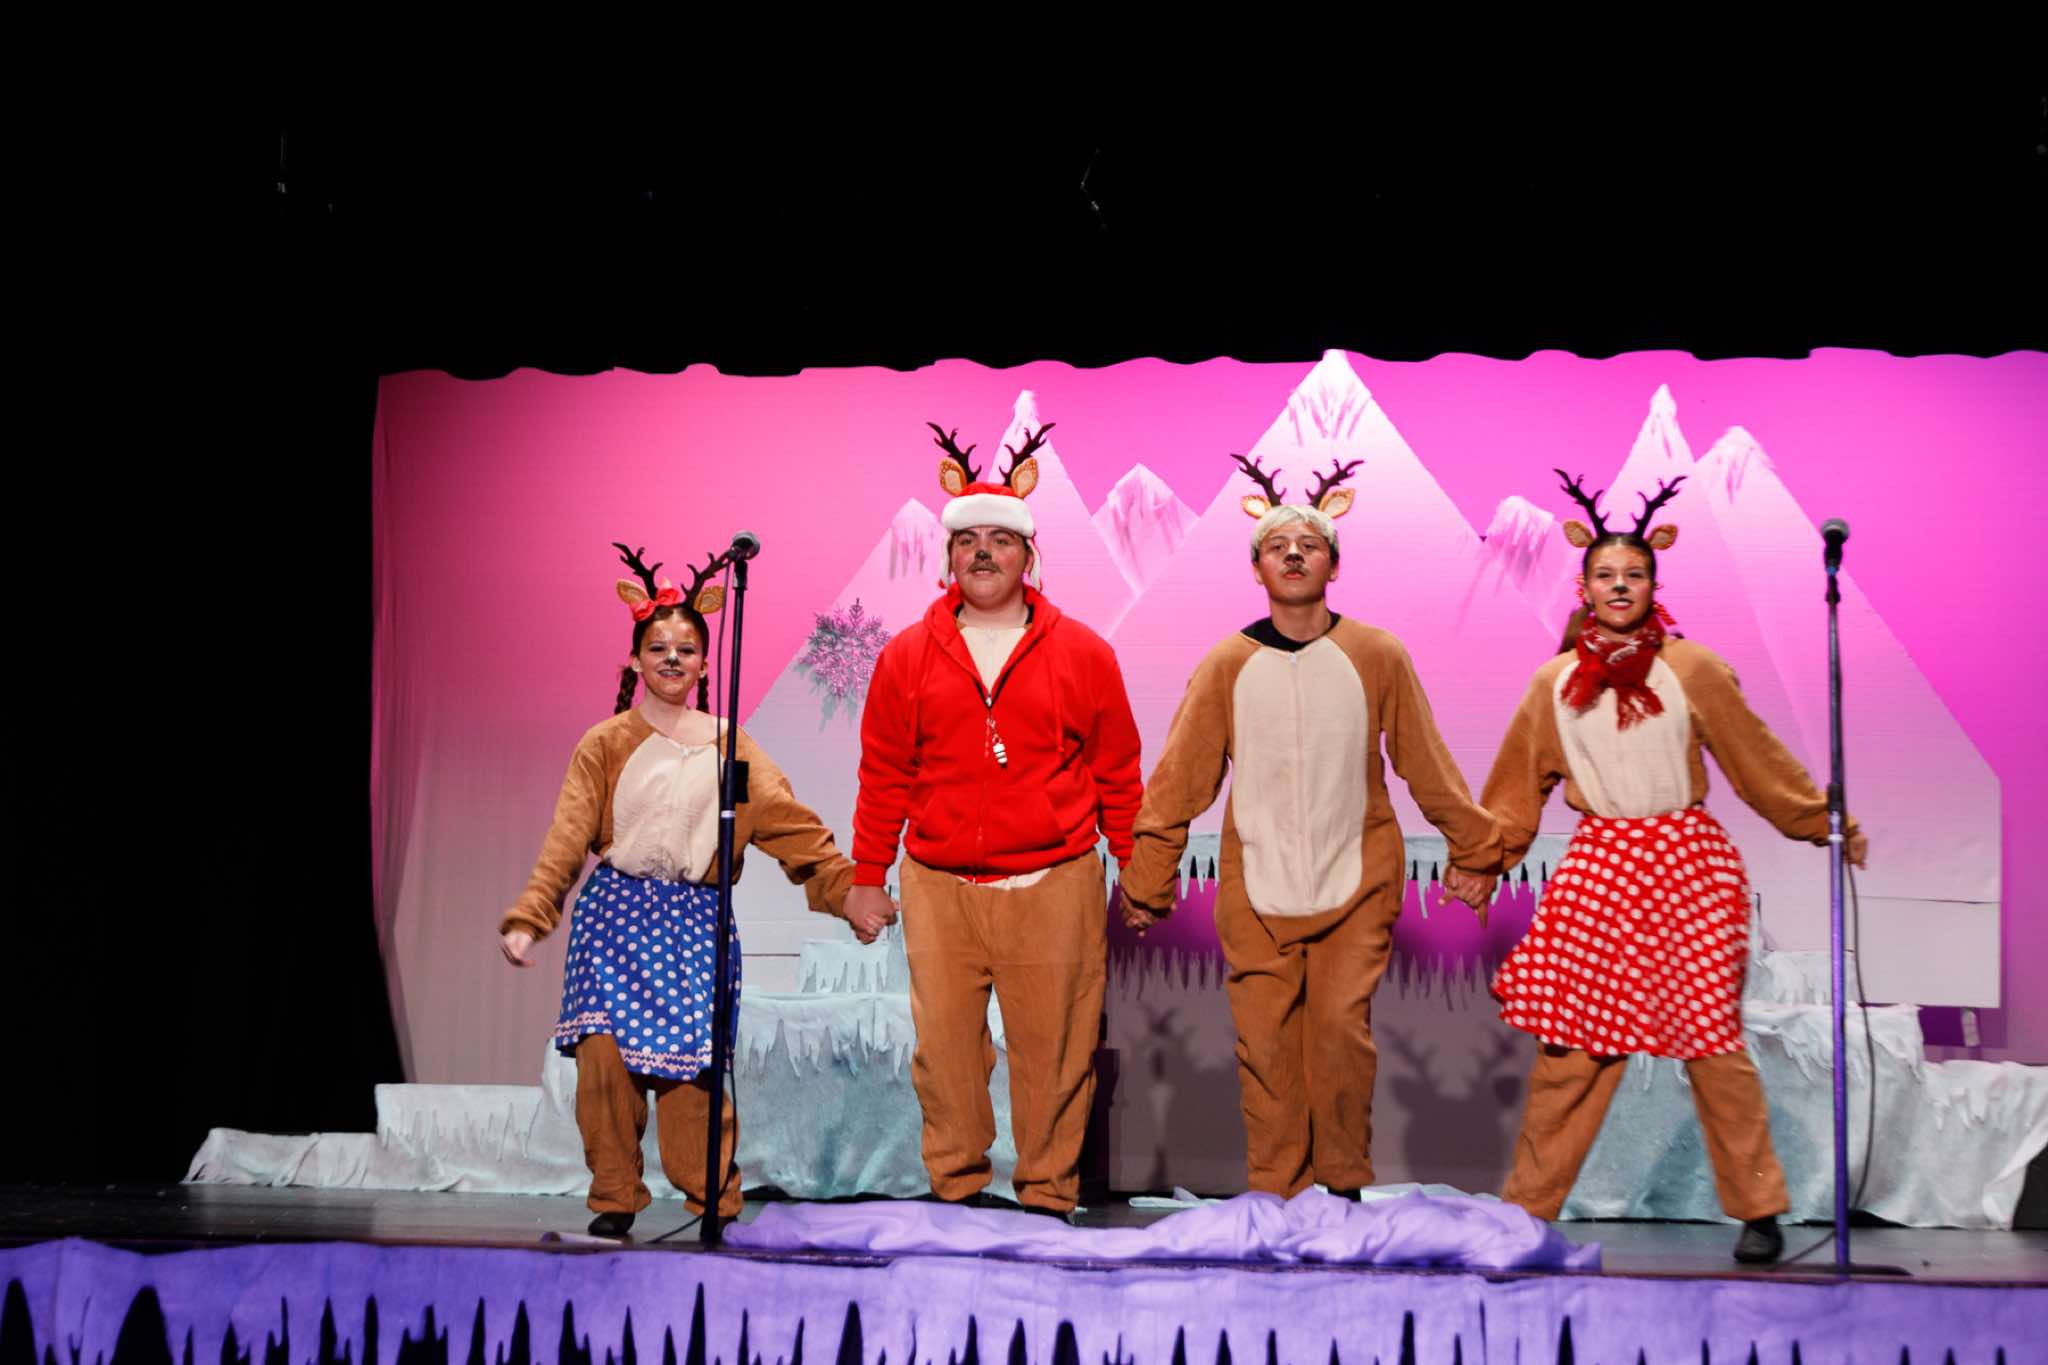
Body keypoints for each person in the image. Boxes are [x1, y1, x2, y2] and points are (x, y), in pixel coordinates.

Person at [1478, 471, 1867, 1263]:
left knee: (1710, 1040)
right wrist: (1483, 860)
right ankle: (1525, 1213)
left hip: (1685, 860)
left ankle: (1759, 1208)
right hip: (1601, 866)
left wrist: (1817, 818)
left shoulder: (1692, 668)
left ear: (1655, 582)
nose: (1620, 585)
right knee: (1573, 1051)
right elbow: (1517, 784)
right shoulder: (1553, 683)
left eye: (1634, 573)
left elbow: (1754, 757)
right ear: (1585, 586)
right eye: (1605, 574)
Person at [1119, 453, 1501, 1199]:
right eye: (1276, 545)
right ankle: (1278, 1193)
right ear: (1256, 568)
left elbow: (1426, 762)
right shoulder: (1227, 662)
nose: (1293, 554)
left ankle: (1342, 1187)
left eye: (1309, 544)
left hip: (1354, 879)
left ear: (1334, 563)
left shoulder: (1377, 654)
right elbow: (1180, 780)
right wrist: (1148, 882)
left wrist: (1476, 849)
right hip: (1257, 889)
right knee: (1265, 1045)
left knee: (1339, 1034)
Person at [498, 544, 880, 1238]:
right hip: (615, 917)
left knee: (690, 1073)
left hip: (694, 922)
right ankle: (615, 1193)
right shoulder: (605, 742)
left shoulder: (731, 746)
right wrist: (532, 915)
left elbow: (789, 825)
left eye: (686, 649)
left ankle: (712, 1199)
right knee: (605, 1060)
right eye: (658, 648)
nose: (672, 659)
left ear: (706, 663)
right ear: (634, 660)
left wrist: (845, 889)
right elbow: (567, 836)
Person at [841, 421, 1143, 1220]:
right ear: (949, 556)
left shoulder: (1084, 653)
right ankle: (957, 1194)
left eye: (1000, 540)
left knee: (1056, 1052)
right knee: (944, 1057)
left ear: (1027, 555)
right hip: (939, 883)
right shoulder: (907, 655)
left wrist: (1139, 871)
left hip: (1055, 878)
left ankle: (1046, 1197)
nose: (983, 553)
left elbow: (1117, 772)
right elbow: (883, 773)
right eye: (968, 540)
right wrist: (866, 876)